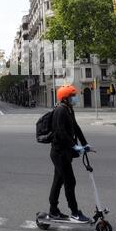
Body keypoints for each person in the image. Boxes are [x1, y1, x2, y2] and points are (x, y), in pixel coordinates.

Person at [49, 85, 91, 223]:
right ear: (65, 98)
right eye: (73, 96)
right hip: (59, 153)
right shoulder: (60, 110)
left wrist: (85, 143)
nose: (75, 98)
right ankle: (74, 212)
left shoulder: (68, 109)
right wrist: (74, 146)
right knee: (70, 181)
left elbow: (75, 127)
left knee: (58, 181)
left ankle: (53, 211)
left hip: (65, 152)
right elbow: (61, 132)